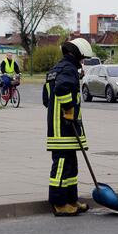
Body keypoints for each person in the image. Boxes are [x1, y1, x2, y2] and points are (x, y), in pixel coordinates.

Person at [41, 38, 95, 217]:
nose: (82, 62)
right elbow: (63, 89)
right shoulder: (68, 69)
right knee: (62, 166)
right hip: (63, 128)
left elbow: (45, 99)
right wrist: (68, 110)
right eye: (82, 58)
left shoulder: (54, 70)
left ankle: (72, 200)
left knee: (71, 166)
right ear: (77, 54)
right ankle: (59, 203)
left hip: (62, 128)